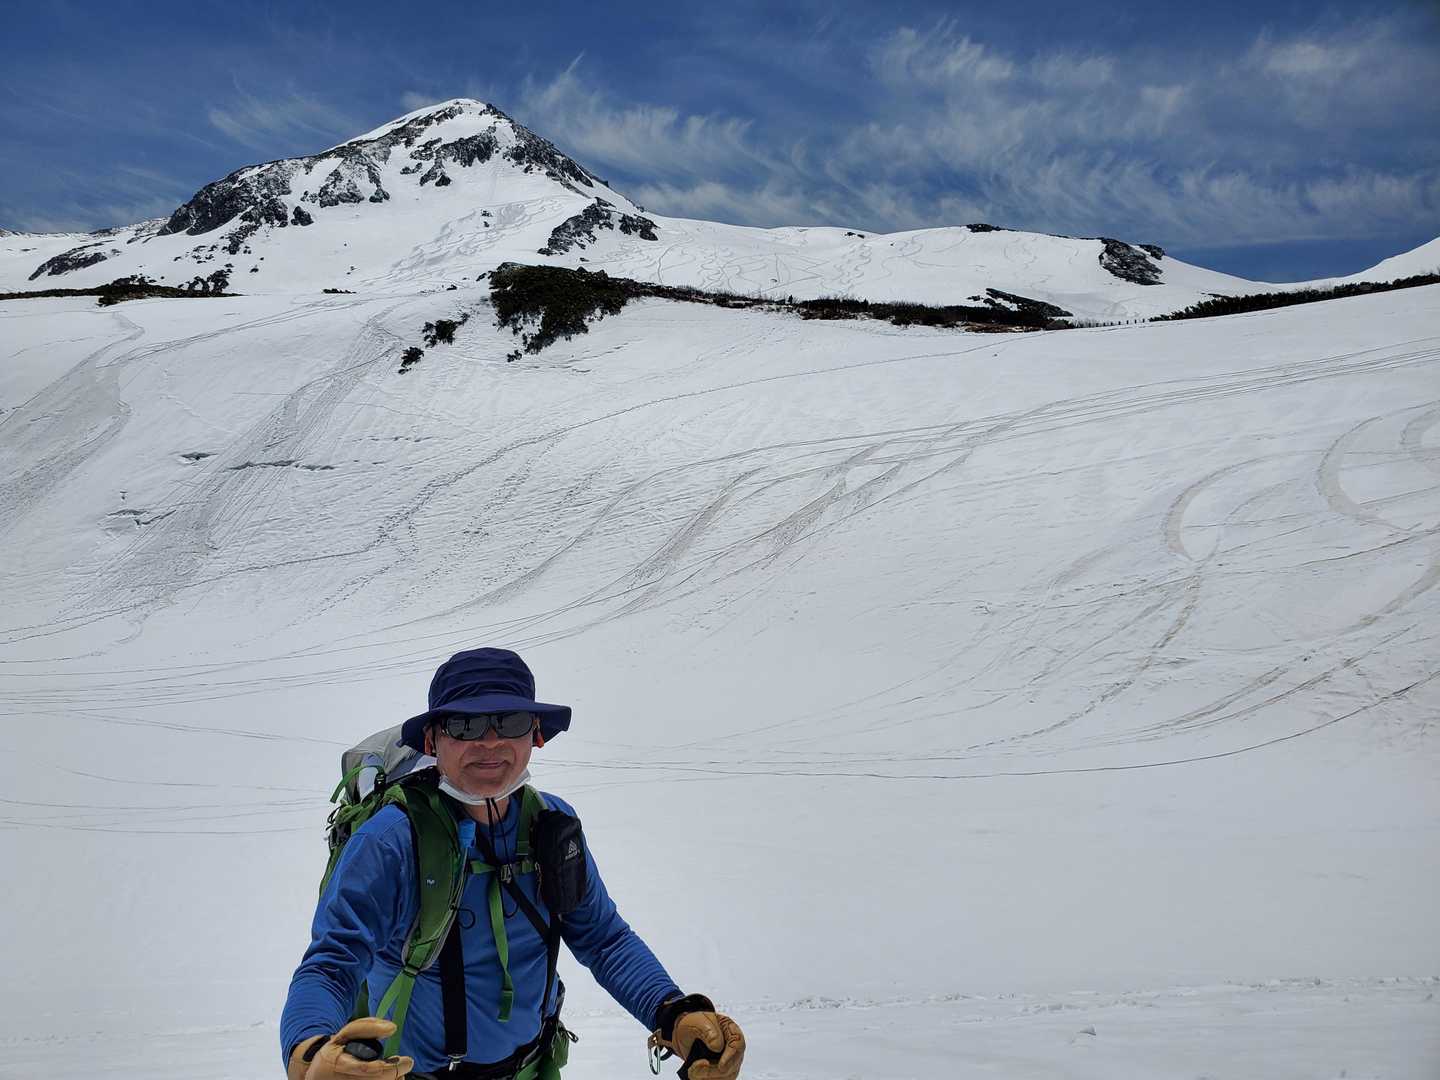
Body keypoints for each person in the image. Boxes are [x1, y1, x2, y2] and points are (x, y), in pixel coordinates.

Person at [281, 648, 745, 1080]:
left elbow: (604, 939)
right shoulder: (392, 842)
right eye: (464, 725)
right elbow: (332, 964)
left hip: (534, 1069)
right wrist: (309, 1051)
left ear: (536, 734)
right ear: (432, 739)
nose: (489, 741)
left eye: (510, 721)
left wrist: (674, 1011)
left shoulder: (551, 824)